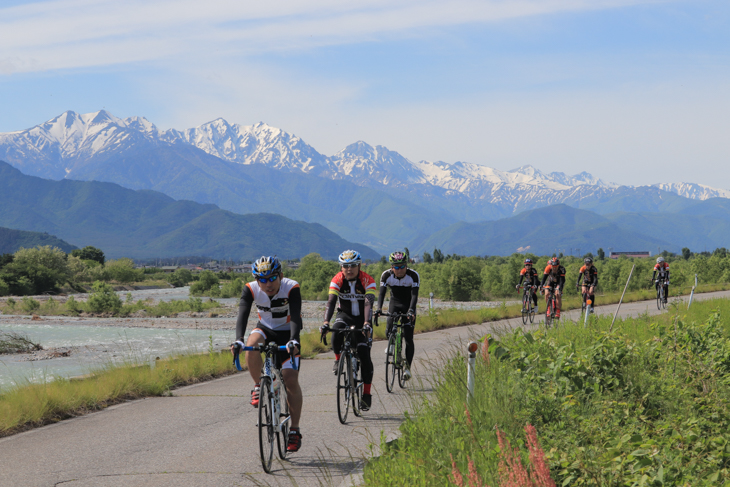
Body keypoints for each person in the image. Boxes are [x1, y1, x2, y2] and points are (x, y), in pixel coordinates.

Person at [232, 256, 303, 453]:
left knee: (290, 380)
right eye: (262, 280)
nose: (268, 284)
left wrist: (294, 339)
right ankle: (258, 385)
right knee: (251, 344)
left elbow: (296, 315)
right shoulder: (251, 288)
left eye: (272, 278)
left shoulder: (291, 287)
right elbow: (243, 314)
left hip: (288, 332)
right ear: (256, 279)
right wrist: (238, 339)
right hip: (265, 328)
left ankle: (294, 431)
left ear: (280, 275)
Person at [321, 250, 377, 411]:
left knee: (364, 355)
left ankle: (366, 394)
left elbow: (368, 304)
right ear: (341, 267)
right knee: (336, 331)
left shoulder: (368, 280)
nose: (349, 269)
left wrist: (366, 323)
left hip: (362, 318)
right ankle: (338, 359)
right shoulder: (337, 279)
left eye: (352, 266)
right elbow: (331, 302)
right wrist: (326, 322)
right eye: (345, 266)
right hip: (344, 315)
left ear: (359, 266)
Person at [375, 250, 419, 381]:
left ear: (406, 265)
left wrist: (411, 310)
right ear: (391, 267)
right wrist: (378, 308)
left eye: (402, 266)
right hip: (395, 303)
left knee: (409, 338)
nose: (400, 270)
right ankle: (392, 343)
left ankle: (407, 368)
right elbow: (381, 294)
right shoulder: (386, 275)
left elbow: (414, 295)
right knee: (389, 327)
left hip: (408, 305)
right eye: (396, 267)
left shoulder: (413, 276)